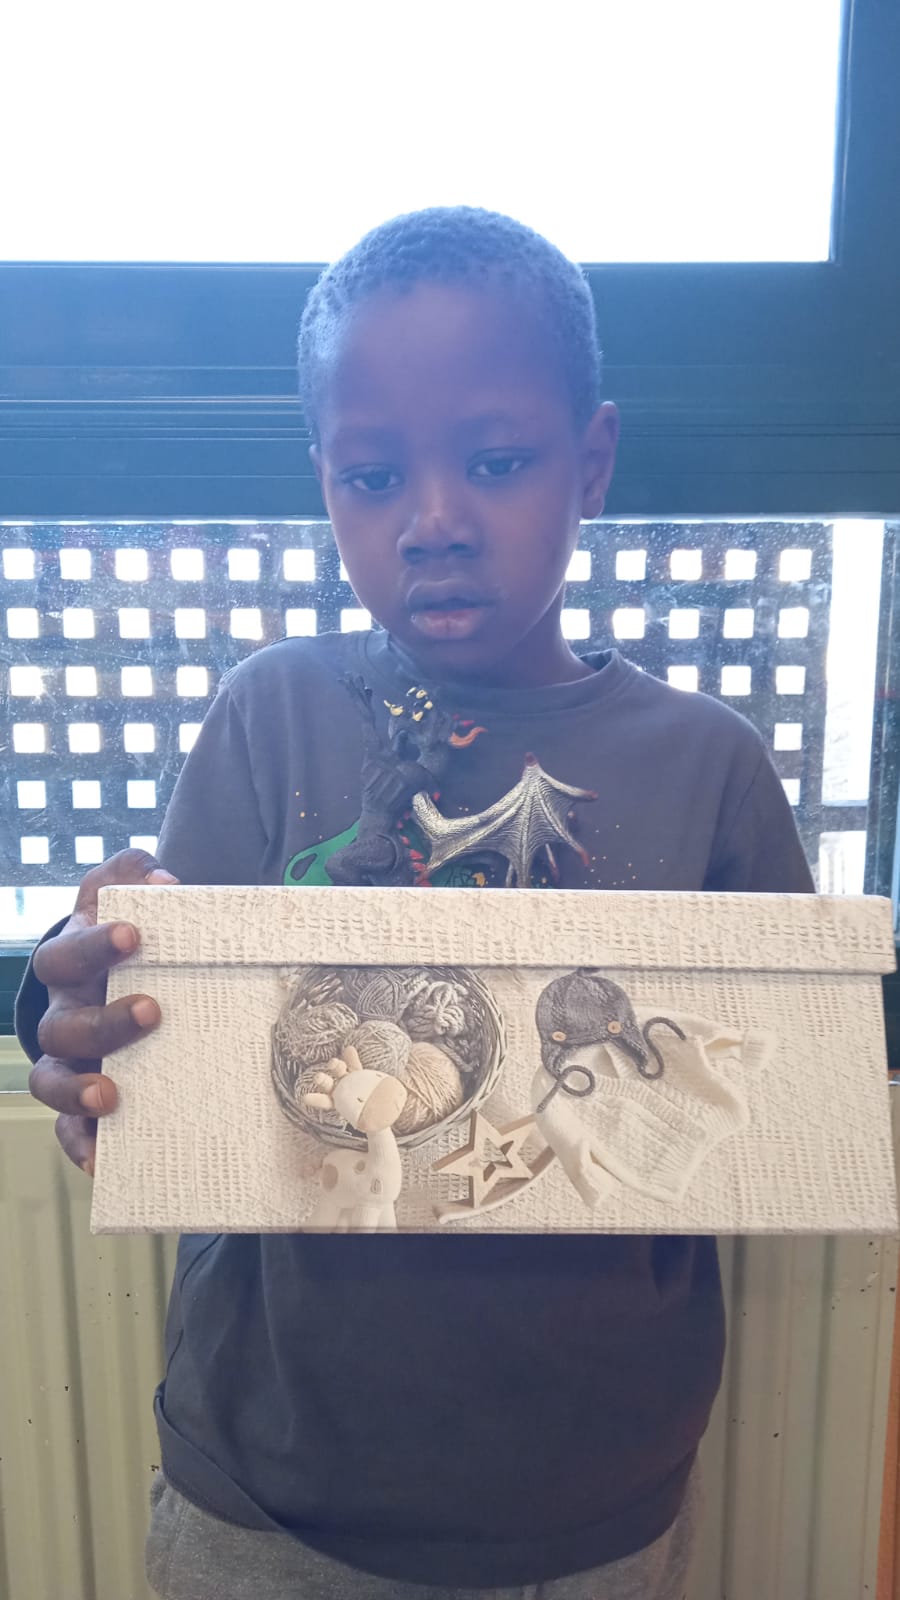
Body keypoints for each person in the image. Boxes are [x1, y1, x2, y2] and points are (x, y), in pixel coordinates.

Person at [19, 206, 814, 1600]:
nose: (433, 521)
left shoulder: (710, 766)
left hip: (594, 1498)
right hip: (270, 1488)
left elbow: (775, 1101)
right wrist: (94, 1036)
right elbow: (154, 1046)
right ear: (324, 482)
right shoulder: (269, 715)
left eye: (496, 463)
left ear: (592, 463)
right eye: (373, 475)